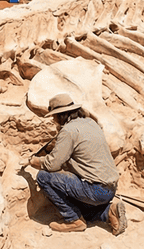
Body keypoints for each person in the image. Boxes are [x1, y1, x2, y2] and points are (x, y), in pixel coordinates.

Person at [29, 92, 126, 235]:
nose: (54, 120)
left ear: (60, 115)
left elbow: (52, 165)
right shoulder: (90, 122)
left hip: (96, 191)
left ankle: (73, 220)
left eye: (54, 116)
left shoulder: (69, 131)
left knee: (44, 176)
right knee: (77, 202)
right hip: (108, 190)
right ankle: (108, 212)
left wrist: (35, 161)